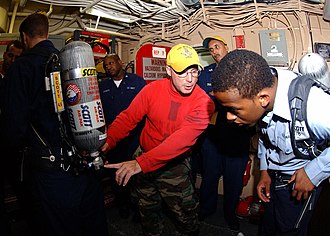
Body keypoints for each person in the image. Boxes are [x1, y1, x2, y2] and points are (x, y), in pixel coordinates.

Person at [0, 13, 109, 236]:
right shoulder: (70, 63)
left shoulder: (21, 69)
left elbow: (14, 130)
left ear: (24, 36)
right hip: (85, 167)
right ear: (47, 33)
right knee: (92, 227)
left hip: (52, 175)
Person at [211, 49, 330, 236]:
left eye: (233, 110)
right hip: (275, 178)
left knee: (289, 231)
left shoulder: (315, 107)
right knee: (269, 227)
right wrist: (265, 171)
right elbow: (266, 135)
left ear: (263, 99)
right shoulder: (261, 86)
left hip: (298, 183)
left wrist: (314, 171)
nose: (229, 117)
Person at [101, 43, 215, 236]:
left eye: (194, 72)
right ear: (169, 70)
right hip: (144, 156)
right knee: (146, 209)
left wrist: (140, 163)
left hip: (174, 165)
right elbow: (129, 117)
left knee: (185, 215)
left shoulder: (204, 103)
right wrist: (107, 141)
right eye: (182, 73)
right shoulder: (152, 90)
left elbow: (180, 141)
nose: (190, 80)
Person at [195, 36, 252, 232]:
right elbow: (202, 100)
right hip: (213, 135)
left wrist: (217, 97)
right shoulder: (207, 73)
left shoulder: (242, 70)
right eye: (211, 50)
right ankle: (206, 209)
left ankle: (230, 214)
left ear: (226, 47)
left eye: (217, 47)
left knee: (233, 180)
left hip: (238, 135)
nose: (214, 51)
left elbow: (248, 98)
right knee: (209, 176)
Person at [99, 53, 146, 218]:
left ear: (120, 62)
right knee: (117, 174)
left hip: (134, 138)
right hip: (114, 140)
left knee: (136, 175)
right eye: (105, 66)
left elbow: (145, 108)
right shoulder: (103, 86)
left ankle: (138, 208)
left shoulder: (137, 82)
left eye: (111, 63)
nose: (108, 67)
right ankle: (123, 205)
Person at [0, 39, 23, 236]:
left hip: (15, 146)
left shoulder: (20, 83)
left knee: (21, 187)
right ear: (3, 55)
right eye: (10, 55)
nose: (13, 60)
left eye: (17, 57)